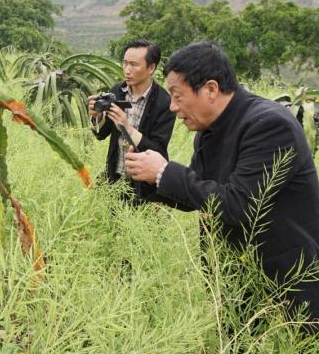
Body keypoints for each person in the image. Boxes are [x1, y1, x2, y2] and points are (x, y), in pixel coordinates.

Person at [125, 40, 319, 322]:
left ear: (211, 89)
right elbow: (198, 193)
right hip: (236, 282)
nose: (173, 108)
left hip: (286, 283)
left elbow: (239, 205)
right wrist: (148, 176)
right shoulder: (209, 128)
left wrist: (164, 172)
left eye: (178, 96)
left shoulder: (269, 125)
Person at [88, 40, 175, 203]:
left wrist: (127, 128)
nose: (127, 70)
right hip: (114, 179)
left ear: (151, 68)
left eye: (134, 65)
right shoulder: (117, 92)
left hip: (145, 190)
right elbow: (101, 135)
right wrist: (97, 116)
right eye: (125, 63)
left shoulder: (164, 102)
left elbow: (158, 150)